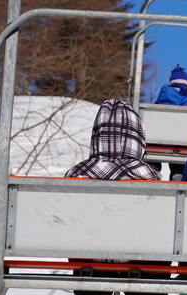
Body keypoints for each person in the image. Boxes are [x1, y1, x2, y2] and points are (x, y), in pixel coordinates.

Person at [65, 99, 165, 295]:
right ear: (137, 138)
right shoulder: (148, 174)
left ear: (97, 135)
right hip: (138, 264)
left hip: (91, 266)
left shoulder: (76, 173)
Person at [152, 65, 187, 179]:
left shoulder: (160, 98)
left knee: (152, 159)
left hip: (156, 143)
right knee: (180, 162)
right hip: (180, 143)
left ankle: (152, 174)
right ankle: (177, 175)